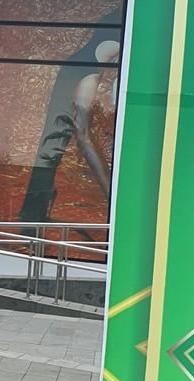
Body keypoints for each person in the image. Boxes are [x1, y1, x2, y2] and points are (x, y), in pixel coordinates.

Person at [18, 16, 121, 229]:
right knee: (67, 143)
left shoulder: (86, 61)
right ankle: (32, 215)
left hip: (76, 69)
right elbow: (83, 138)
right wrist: (116, 199)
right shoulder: (89, 76)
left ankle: (32, 213)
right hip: (83, 73)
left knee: (50, 148)